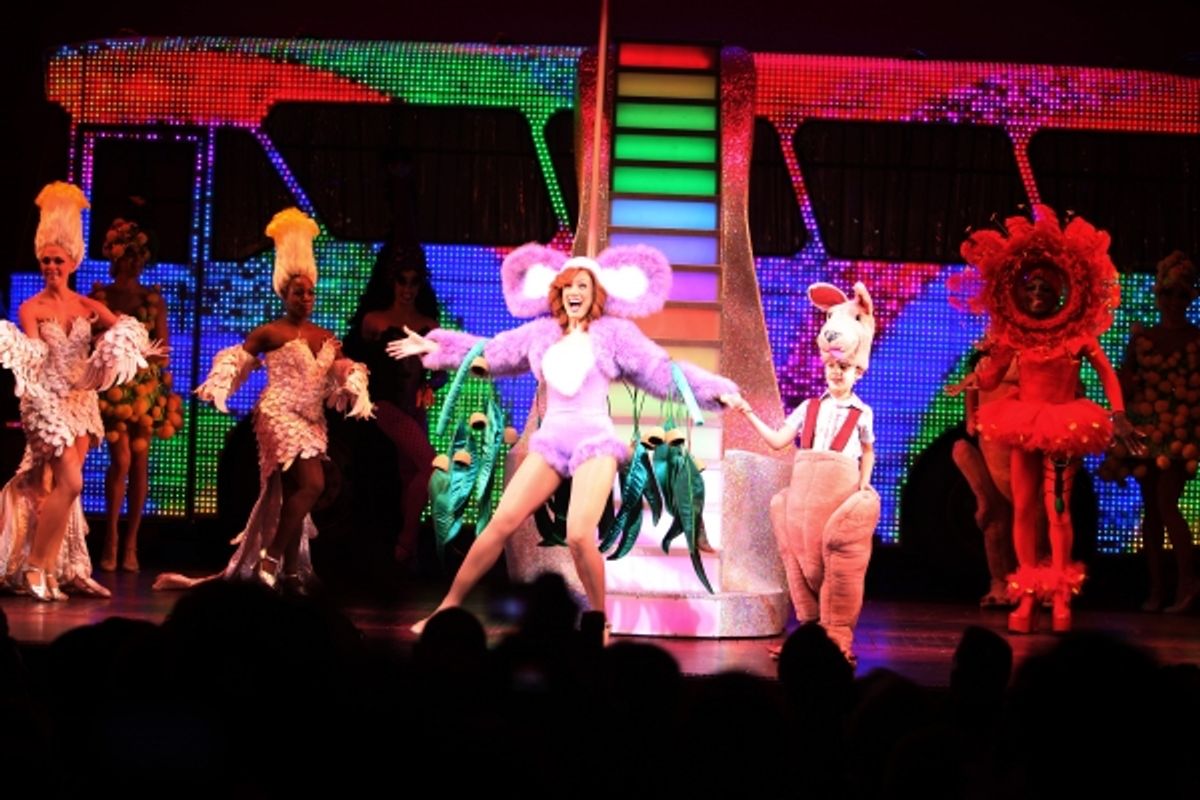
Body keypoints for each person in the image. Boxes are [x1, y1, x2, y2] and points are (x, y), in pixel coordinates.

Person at [389, 242, 743, 634]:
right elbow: (492, 352)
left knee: (578, 535)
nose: (575, 292)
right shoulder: (541, 333)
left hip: (595, 443)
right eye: (568, 285)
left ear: (596, 293)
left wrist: (713, 391)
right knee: (500, 523)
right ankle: (447, 608)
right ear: (558, 292)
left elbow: (660, 371)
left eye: (583, 286)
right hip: (551, 441)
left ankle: (598, 620)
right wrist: (437, 347)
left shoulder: (615, 334)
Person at [154, 208, 372, 594]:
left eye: (310, 292)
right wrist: (219, 385)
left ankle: (289, 572)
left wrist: (353, 377)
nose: (306, 298)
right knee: (313, 484)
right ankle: (271, 559)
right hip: (278, 413)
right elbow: (239, 360)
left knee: (295, 493)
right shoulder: (270, 332)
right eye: (298, 292)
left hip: (312, 420)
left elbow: (340, 368)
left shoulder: (324, 336)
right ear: (284, 294)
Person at [955, 206, 1143, 633]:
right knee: (1023, 508)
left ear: (1061, 293)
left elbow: (1107, 374)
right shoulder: (1016, 335)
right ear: (1022, 294)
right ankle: (1026, 592)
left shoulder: (1076, 335)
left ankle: (1059, 595)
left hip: (1063, 426)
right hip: (1023, 423)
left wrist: (1118, 415)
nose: (1038, 292)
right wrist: (974, 379)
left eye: (1046, 286)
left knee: (1056, 509)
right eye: (1032, 286)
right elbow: (993, 375)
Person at [0, 182, 163, 600]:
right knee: (70, 482)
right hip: (46, 399)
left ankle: (55, 570)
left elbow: (127, 328)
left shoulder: (87, 306)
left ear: (72, 262)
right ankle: (35, 567)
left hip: (82, 401)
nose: (51, 266)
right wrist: (27, 354)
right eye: (46, 260)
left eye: (58, 260)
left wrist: (136, 349)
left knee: (64, 489)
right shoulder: (31, 307)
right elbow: (33, 350)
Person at [731, 280, 878, 664]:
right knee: (798, 562)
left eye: (843, 367)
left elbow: (867, 451)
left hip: (835, 495)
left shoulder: (862, 413)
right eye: (831, 367)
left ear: (857, 371)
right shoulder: (809, 407)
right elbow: (779, 441)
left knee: (838, 565)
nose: (836, 373)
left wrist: (863, 485)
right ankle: (809, 634)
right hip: (802, 502)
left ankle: (838, 634)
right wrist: (748, 412)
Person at [342, 241, 441, 568]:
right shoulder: (375, 321)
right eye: (402, 281)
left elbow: (440, 369)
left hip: (416, 409)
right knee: (431, 466)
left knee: (412, 475)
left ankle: (406, 553)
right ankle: (406, 542)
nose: (408, 289)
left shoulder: (429, 324)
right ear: (392, 282)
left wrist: (430, 385)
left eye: (414, 282)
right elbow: (354, 362)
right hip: (385, 406)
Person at [90, 217, 180, 572]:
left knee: (140, 461)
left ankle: (131, 543)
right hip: (113, 384)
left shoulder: (151, 299)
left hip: (144, 386)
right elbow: (89, 343)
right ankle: (110, 538)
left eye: (134, 256)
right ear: (114, 257)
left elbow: (163, 348)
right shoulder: (101, 297)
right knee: (122, 460)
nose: (129, 262)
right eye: (124, 255)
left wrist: (144, 357)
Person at [1117, 250, 1199, 613]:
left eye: (1182, 294)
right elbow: (1124, 382)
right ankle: (1156, 590)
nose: (1174, 301)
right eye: (1168, 293)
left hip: (1183, 432)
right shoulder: (1142, 338)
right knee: (1151, 509)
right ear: (1158, 295)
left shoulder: (1196, 338)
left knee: (1166, 502)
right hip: (1146, 429)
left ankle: (1188, 583)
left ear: (1191, 298)